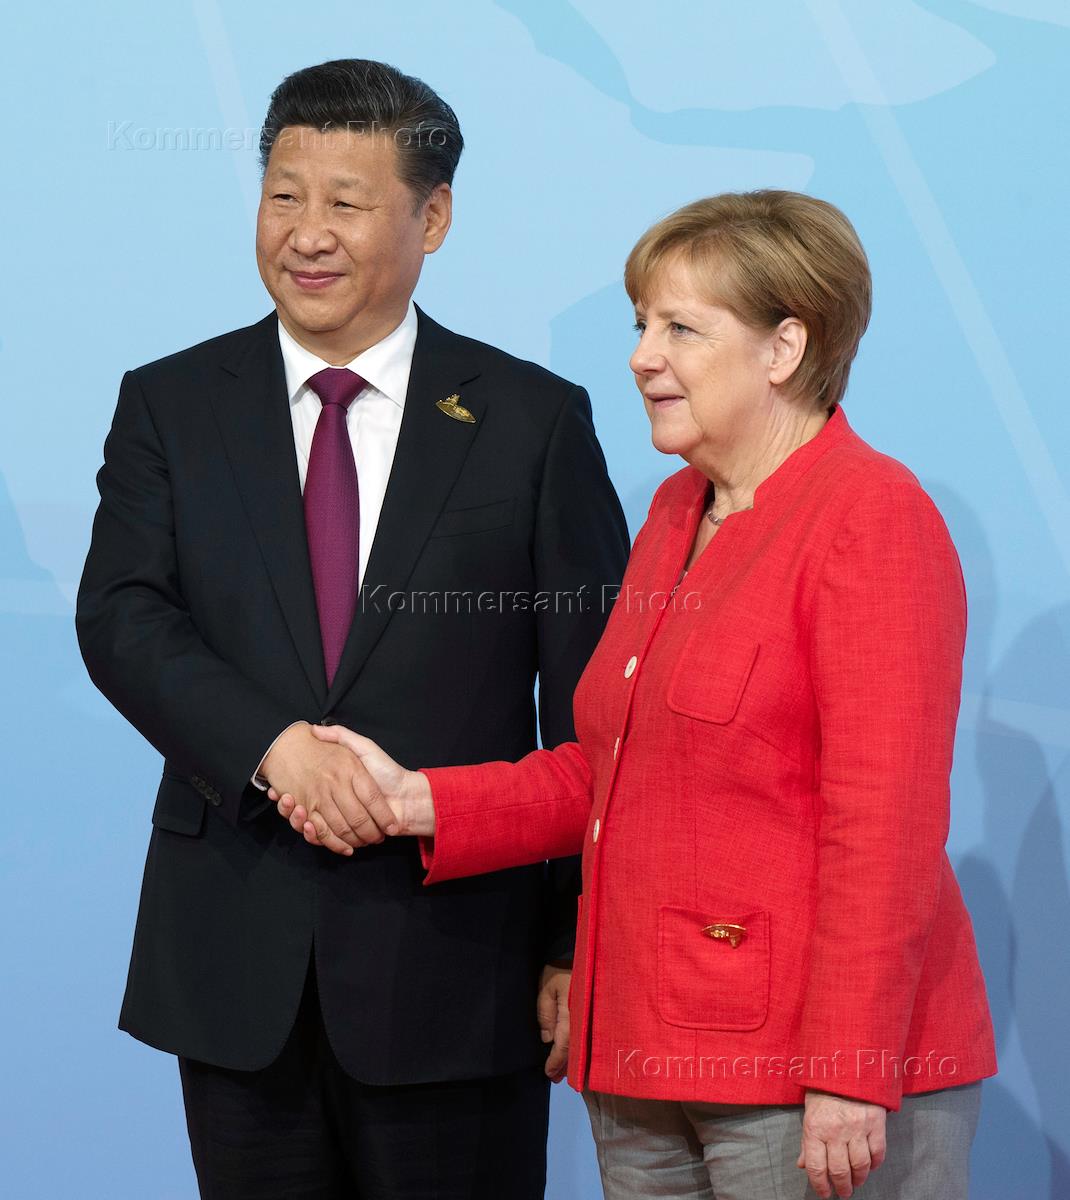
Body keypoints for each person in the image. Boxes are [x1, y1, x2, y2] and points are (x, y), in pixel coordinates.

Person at [278, 190, 998, 1199]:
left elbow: (884, 827)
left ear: (785, 347)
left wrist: (849, 1066)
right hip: (643, 1060)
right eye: (640, 324)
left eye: (679, 330)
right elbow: (614, 771)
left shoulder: (871, 518)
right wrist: (416, 801)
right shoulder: (673, 510)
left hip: (805, 1081)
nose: (640, 357)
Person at [76, 58, 629, 1199]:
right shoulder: (171, 404)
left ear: (433, 218)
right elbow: (122, 616)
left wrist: (577, 941)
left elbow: (590, 709)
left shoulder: (530, 421)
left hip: (460, 965)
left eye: (346, 201)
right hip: (235, 955)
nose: (307, 234)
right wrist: (271, 747)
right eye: (284, 196)